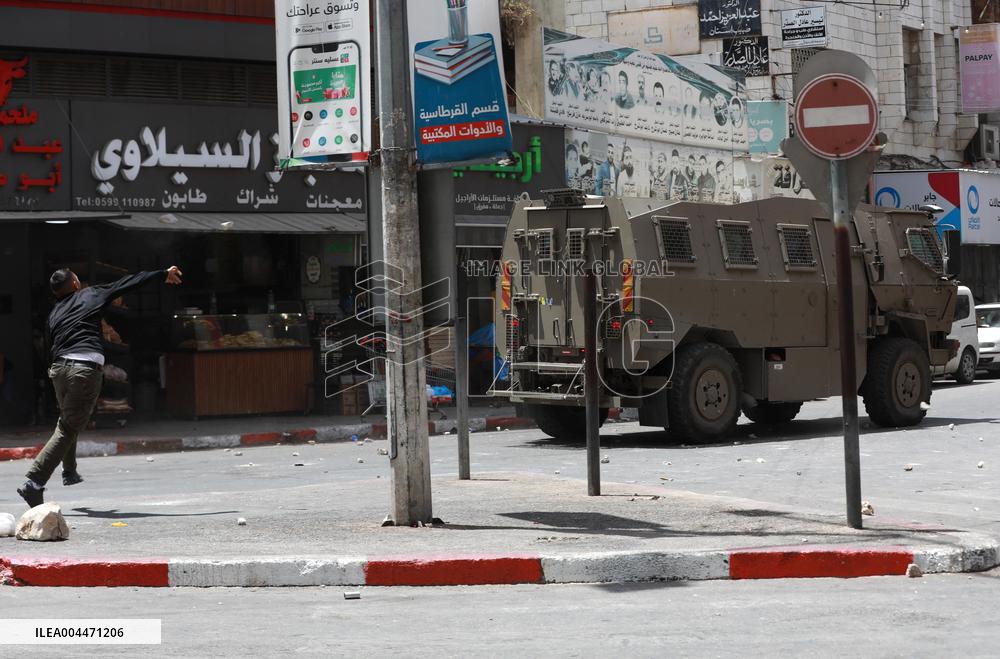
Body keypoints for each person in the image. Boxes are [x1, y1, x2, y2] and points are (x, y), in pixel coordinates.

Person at [17, 266, 183, 508]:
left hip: (58, 369)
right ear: (75, 284)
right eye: (78, 278)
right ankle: (34, 483)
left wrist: (53, 374)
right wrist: (161, 274)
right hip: (83, 370)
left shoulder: (53, 313)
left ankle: (69, 471)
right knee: (68, 427)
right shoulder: (90, 294)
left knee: (67, 420)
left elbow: (48, 347)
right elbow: (127, 283)